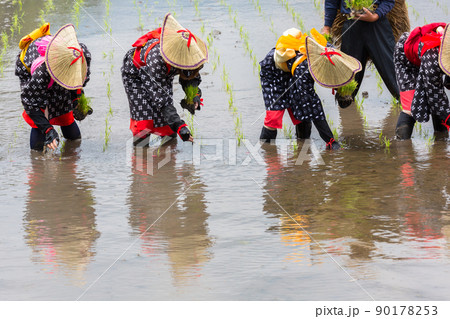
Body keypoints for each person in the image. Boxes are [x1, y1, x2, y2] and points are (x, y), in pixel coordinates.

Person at [259, 28, 361, 149]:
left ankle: (302, 146)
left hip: (293, 69)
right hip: (273, 73)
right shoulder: (304, 70)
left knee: (300, 107)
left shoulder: (327, 50)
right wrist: (331, 141)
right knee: (274, 116)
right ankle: (267, 151)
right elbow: (314, 106)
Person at [121, 13, 207, 145]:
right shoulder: (157, 59)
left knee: (167, 128)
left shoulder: (188, 55)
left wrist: (194, 97)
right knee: (144, 125)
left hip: (160, 74)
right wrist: (180, 126)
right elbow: (161, 99)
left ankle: (168, 162)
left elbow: (191, 78)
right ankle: (140, 160)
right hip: (136, 74)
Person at [16, 23, 92, 151]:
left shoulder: (81, 54)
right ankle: (37, 162)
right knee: (39, 118)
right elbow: (30, 103)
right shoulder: (41, 72)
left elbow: (78, 82)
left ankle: (72, 153)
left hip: (55, 64)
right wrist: (48, 130)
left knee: (65, 113)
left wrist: (77, 100)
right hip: (33, 72)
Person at [322, 0, 407, 107]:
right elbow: (331, 2)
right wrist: (327, 27)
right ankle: (349, 118)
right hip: (351, 26)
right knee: (345, 91)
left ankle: (407, 115)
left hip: (378, 26)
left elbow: (389, 1)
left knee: (394, 77)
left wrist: (376, 16)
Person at [394, 23, 450, 139]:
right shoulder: (433, 59)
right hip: (406, 61)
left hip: (424, 57)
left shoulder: (446, 51)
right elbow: (435, 96)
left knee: (438, 101)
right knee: (411, 106)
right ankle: (403, 148)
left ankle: (441, 142)